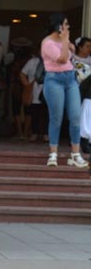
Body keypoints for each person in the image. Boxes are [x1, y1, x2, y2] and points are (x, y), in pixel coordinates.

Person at [41, 13, 88, 168]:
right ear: (59, 26)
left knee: (75, 116)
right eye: (66, 24)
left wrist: (66, 42)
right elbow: (62, 58)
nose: (68, 27)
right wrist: (66, 40)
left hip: (70, 79)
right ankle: (53, 153)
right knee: (56, 117)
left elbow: (72, 52)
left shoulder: (64, 40)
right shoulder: (47, 42)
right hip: (54, 79)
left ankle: (75, 153)